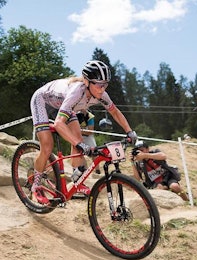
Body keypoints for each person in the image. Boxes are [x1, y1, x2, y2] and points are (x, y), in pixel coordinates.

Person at [30, 60, 137, 205]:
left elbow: (115, 112)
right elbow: (59, 123)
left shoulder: (101, 94)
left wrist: (129, 131)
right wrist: (78, 144)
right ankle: (35, 186)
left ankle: (77, 182)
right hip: (42, 101)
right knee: (48, 147)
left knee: (77, 139)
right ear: (86, 82)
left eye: (105, 84)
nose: (102, 89)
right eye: (99, 84)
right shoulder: (77, 92)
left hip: (65, 106)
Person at [76, 109, 101, 174]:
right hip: (77, 136)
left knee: (94, 153)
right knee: (79, 153)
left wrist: (79, 131)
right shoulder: (74, 115)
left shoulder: (90, 116)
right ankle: (84, 169)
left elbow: (90, 131)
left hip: (88, 137)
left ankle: (97, 170)